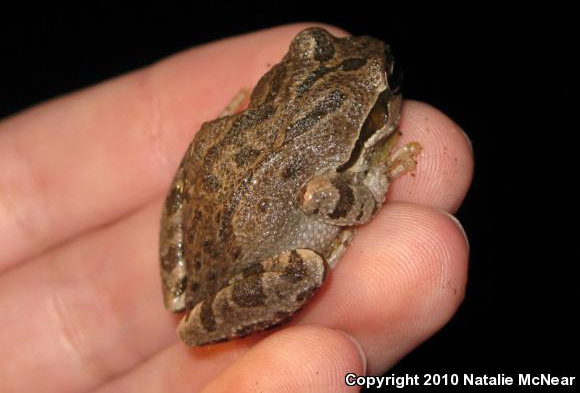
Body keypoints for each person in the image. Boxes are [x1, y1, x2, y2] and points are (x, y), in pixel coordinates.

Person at [0, 24, 473, 392]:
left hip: (230, 202)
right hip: (246, 256)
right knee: (306, 268)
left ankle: (191, 291)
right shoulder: (348, 124)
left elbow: (296, 183)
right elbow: (324, 197)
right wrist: (376, 179)